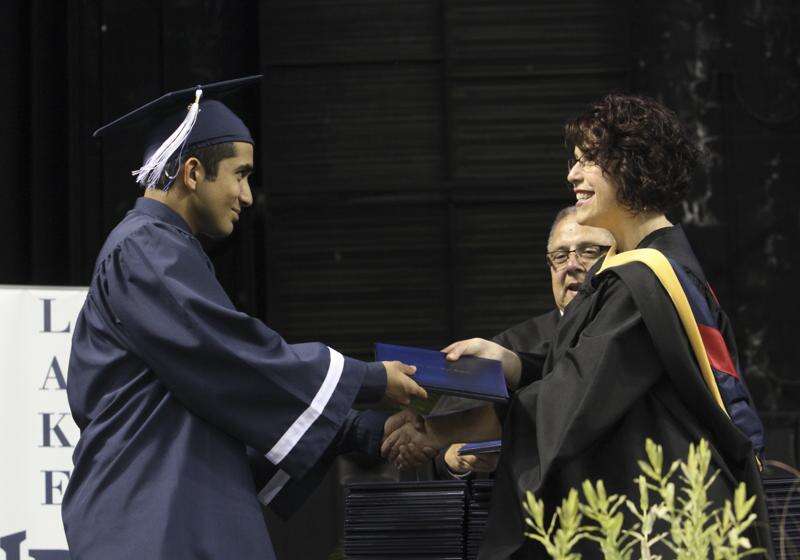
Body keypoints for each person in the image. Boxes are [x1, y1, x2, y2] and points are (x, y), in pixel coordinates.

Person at [382, 93, 770, 559]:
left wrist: (437, 432)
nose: (572, 175)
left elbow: (569, 402)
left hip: (665, 529)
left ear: (631, 166)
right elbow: (585, 366)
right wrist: (513, 364)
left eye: (588, 160)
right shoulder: (654, 268)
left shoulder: (643, 282)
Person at [62, 77, 427, 560]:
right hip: (152, 517)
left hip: (170, 507)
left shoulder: (161, 250)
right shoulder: (144, 249)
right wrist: (369, 378)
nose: (248, 196)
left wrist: (363, 430)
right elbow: (232, 359)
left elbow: (227, 394)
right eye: (240, 174)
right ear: (194, 172)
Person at [436, 207, 613, 478]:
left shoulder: (638, 332)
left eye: (588, 251)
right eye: (560, 256)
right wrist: (454, 458)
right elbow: (441, 449)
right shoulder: (508, 348)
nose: (572, 265)